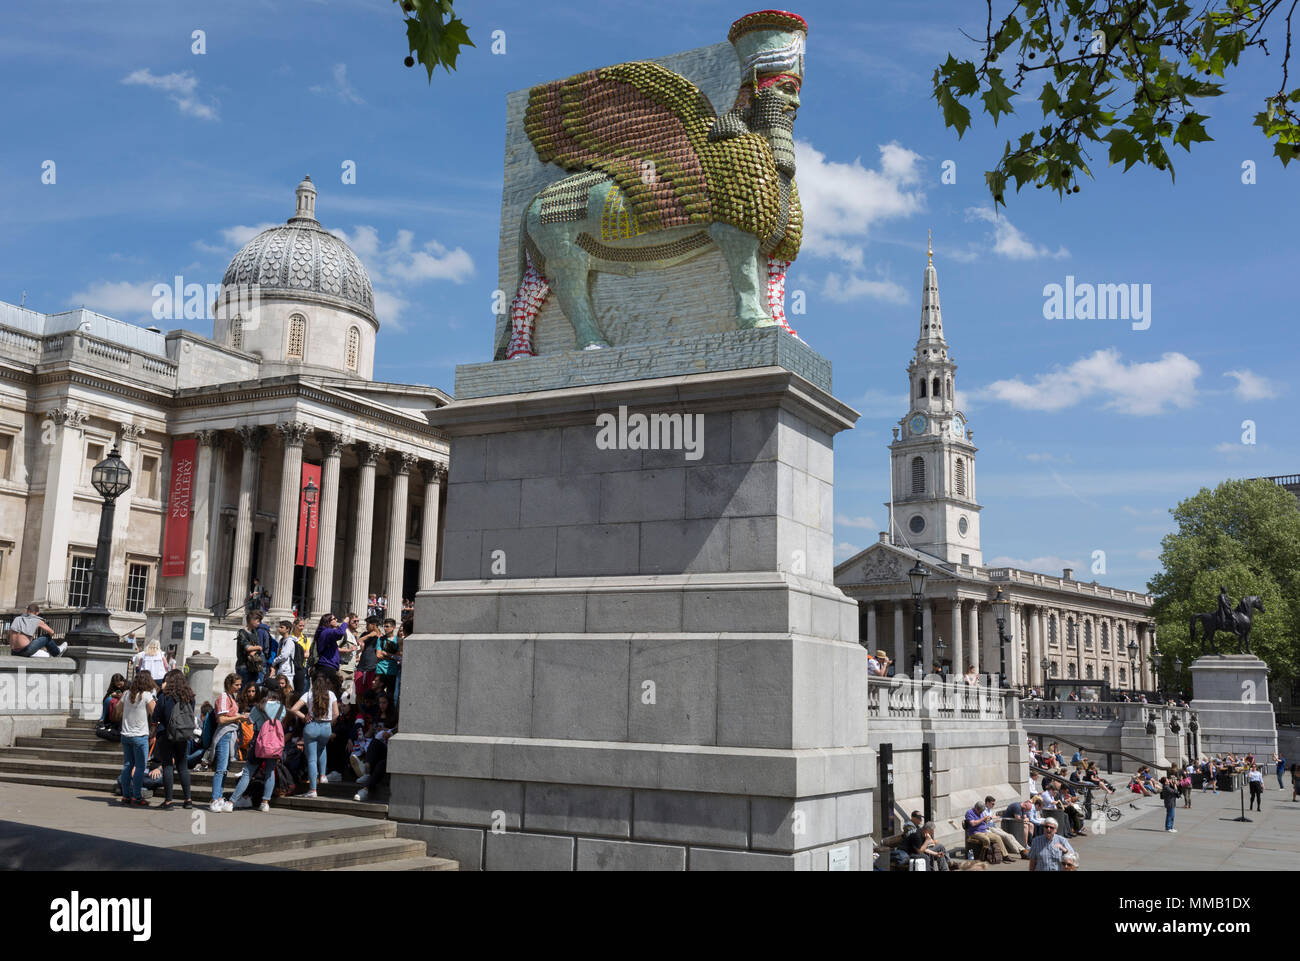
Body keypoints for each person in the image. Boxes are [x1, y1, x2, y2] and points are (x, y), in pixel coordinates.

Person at [224, 690, 286, 812]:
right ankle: (265, 802)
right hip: (274, 744)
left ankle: (231, 802)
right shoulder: (281, 708)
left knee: (247, 772)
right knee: (270, 772)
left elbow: (250, 721)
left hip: (259, 742)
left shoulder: (259, 707)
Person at [290, 673, 339, 797]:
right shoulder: (331, 695)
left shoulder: (308, 695)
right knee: (322, 749)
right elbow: (336, 713)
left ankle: (313, 789)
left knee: (311, 758)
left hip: (312, 726)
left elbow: (294, 709)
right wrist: (330, 723)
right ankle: (323, 776)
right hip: (326, 727)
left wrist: (305, 717)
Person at [206, 673, 248, 813]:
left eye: (240, 685)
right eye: (236, 685)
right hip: (224, 734)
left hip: (229, 734)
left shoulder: (230, 697)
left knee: (224, 769)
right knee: (221, 769)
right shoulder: (223, 697)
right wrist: (239, 717)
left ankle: (218, 797)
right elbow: (221, 719)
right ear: (229, 684)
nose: (239, 687)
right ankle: (214, 799)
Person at [154, 669, 196, 810]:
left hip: (166, 734)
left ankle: (168, 801)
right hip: (183, 734)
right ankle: (188, 799)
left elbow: (156, 716)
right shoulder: (189, 696)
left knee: (167, 765)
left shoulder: (165, 696)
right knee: (182, 765)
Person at [116, 672, 157, 806]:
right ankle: (137, 796)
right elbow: (155, 713)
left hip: (126, 735)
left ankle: (126, 795)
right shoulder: (146, 695)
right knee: (140, 767)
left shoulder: (126, 694)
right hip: (140, 735)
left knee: (128, 765)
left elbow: (117, 710)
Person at [310, 613, 349, 693]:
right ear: (328, 621)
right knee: (328, 694)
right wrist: (345, 622)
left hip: (328, 667)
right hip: (326, 667)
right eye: (334, 619)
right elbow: (340, 633)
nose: (336, 620)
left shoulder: (326, 632)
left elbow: (338, 635)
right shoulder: (326, 632)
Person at [354, 615, 382, 702]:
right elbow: (358, 641)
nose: (366, 626)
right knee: (358, 692)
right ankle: (360, 713)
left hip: (372, 668)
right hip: (361, 667)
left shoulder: (381, 637)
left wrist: (377, 634)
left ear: (373, 624)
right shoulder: (366, 634)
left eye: (367, 624)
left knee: (372, 693)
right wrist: (369, 635)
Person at [236, 611, 267, 688]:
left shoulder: (254, 632)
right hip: (243, 666)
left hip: (254, 666)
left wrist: (255, 649)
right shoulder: (242, 632)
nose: (259, 623)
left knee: (253, 690)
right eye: (257, 621)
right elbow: (248, 647)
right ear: (251, 620)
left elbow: (255, 646)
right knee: (243, 690)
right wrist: (258, 648)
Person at [97, 673, 127, 742]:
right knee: (108, 700)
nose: (118, 686)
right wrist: (112, 694)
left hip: (124, 703)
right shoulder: (112, 687)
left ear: (123, 681)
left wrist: (122, 696)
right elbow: (105, 698)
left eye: (120, 684)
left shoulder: (128, 685)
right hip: (115, 704)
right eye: (117, 684)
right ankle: (102, 719)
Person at [271, 619, 295, 691]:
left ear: (287, 629)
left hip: (287, 671)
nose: (279, 629)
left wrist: (274, 662)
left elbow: (284, 656)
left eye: (281, 627)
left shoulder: (289, 641)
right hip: (281, 670)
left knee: (288, 692)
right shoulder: (282, 640)